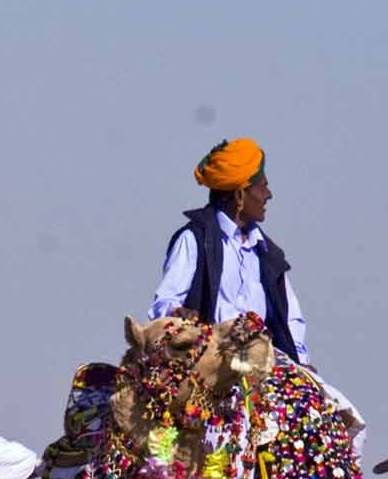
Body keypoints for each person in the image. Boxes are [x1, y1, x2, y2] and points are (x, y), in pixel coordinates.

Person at [150, 137, 365, 453]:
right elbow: (164, 304)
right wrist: (180, 315)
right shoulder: (195, 240)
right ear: (239, 194)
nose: (268, 194)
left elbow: (291, 319)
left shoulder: (267, 254)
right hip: (212, 370)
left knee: (346, 421)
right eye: (261, 186)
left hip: (269, 366)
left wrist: (302, 365)